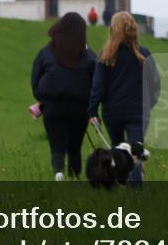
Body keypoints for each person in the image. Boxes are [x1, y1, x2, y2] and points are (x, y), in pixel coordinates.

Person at [88, 11, 161, 186]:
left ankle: (118, 187)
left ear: (112, 30)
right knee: (135, 152)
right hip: (138, 112)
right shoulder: (144, 54)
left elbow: (98, 87)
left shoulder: (105, 56)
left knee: (118, 151)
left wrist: (92, 111)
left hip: (112, 114)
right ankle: (136, 191)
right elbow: (156, 86)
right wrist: (148, 106)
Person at [31, 13, 96, 181]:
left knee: (57, 145)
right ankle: (74, 178)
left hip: (53, 107)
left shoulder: (46, 52)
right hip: (80, 109)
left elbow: (35, 78)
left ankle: (58, 172)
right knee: (75, 147)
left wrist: (42, 98)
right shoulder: (89, 57)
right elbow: (97, 83)